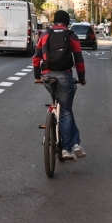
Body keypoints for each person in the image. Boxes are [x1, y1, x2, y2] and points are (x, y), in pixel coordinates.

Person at [34, 10, 87, 161]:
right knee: (66, 111)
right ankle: (67, 148)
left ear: (54, 21)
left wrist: (37, 76)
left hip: (47, 76)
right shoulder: (71, 35)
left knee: (64, 108)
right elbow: (79, 59)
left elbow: (36, 56)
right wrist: (82, 78)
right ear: (67, 22)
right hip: (64, 75)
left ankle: (75, 143)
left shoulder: (45, 34)